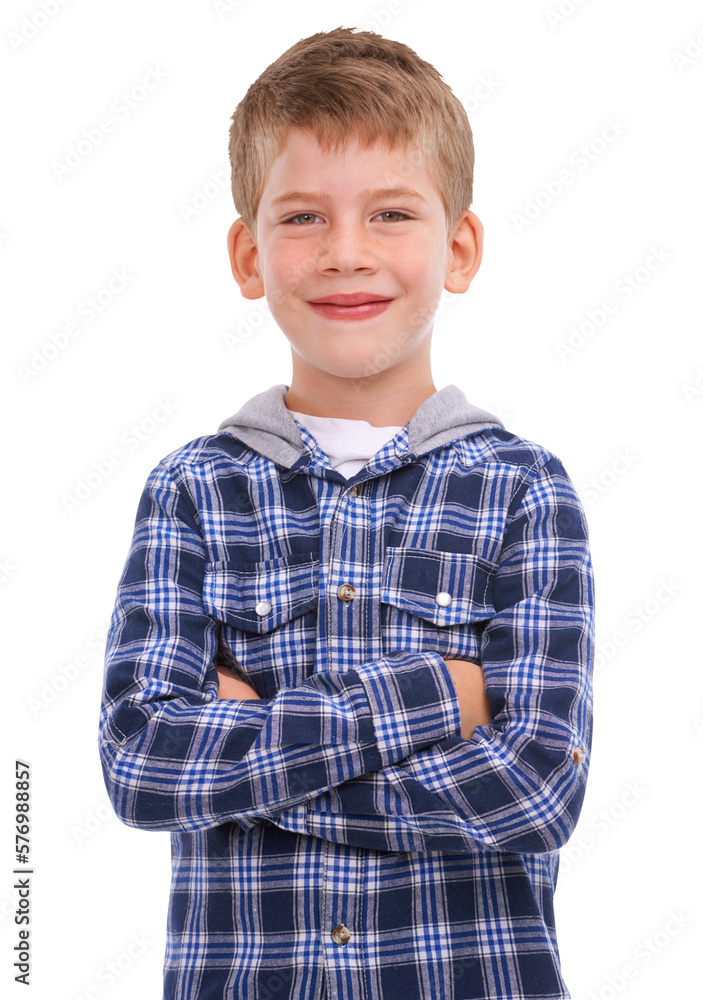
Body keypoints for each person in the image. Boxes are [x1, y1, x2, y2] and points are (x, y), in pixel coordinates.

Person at [98, 26, 594, 1000]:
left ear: (458, 248)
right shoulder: (193, 490)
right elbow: (143, 763)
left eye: (391, 213)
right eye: (302, 218)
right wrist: (435, 700)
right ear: (248, 256)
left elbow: (536, 788)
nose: (346, 253)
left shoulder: (524, 491)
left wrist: (252, 767)